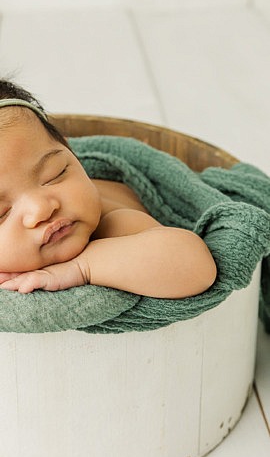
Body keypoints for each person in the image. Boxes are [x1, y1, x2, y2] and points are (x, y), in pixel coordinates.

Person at [0, 78, 217, 298]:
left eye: (55, 174)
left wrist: (81, 268)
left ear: (73, 154)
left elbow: (196, 267)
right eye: (2, 212)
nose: (41, 208)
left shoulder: (114, 224)